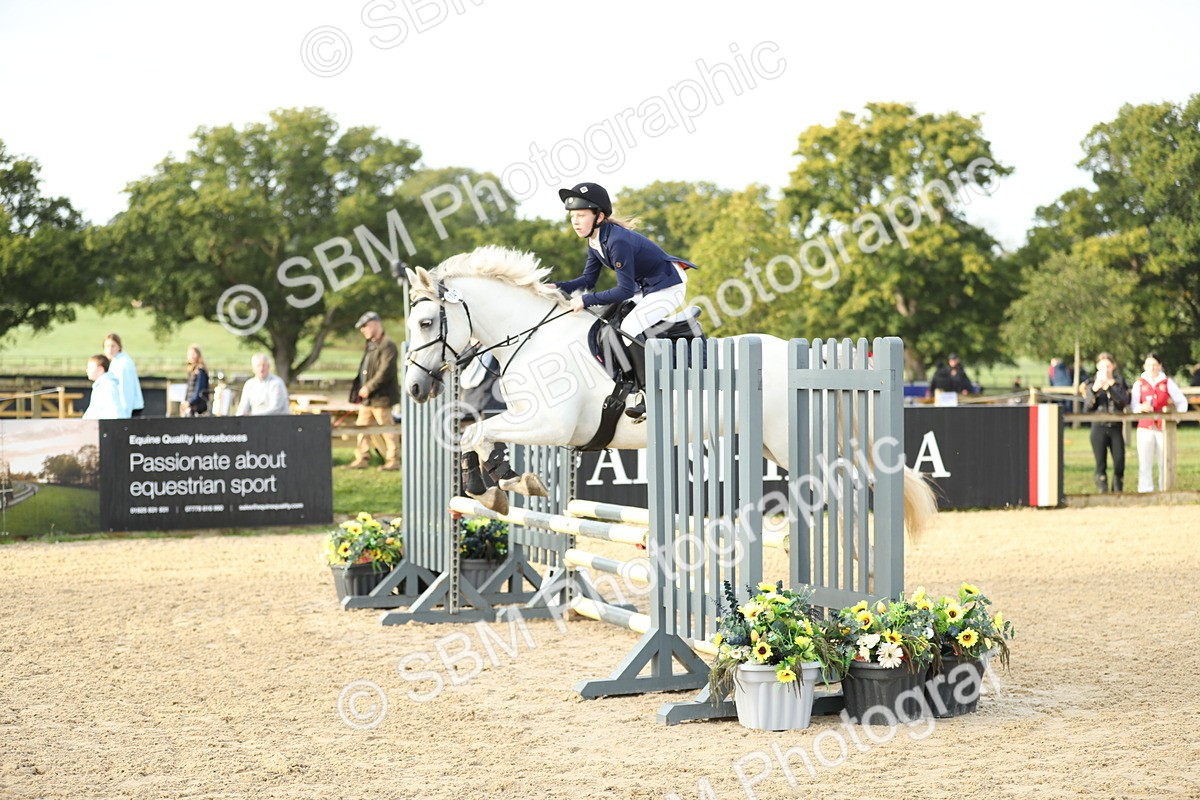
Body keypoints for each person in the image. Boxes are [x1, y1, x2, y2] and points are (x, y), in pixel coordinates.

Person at [550, 182, 698, 420]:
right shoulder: (595, 241)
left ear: (599, 216)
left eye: (581, 215)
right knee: (611, 321)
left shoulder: (617, 241)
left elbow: (624, 290)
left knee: (629, 326)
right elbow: (588, 280)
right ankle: (628, 381)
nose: (575, 222)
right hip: (646, 287)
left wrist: (586, 300)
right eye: (572, 216)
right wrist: (556, 287)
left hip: (667, 286)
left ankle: (652, 394)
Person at [348, 311, 400, 471]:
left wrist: (369, 387)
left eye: (365, 326)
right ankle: (362, 458)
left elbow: (385, 371)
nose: (362, 330)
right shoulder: (371, 345)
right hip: (368, 399)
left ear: (375, 323)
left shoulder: (388, 345)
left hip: (382, 398)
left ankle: (393, 460)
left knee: (387, 430)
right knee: (361, 428)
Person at [1130, 352, 1188, 492]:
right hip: (1145, 426)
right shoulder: (1139, 383)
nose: (1152, 368)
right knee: (1145, 461)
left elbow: (1182, 402)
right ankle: (1145, 490)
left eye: (1155, 365)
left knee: (1164, 460)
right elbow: (1133, 405)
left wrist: (1175, 418)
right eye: (1149, 365)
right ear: (1145, 366)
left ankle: (1165, 490)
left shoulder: (1167, 382)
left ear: (1160, 366)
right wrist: (1141, 408)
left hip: (1163, 427)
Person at [1080, 352, 1130, 493]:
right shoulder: (1091, 384)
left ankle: (1117, 491)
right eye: (1102, 367)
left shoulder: (1120, 384)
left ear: (1113, 366)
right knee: (1100, 463)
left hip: (1115, 427)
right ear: (1097, 367)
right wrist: (1094, 391)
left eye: (1108, 366)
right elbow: (1087, 409)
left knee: (1119, 462)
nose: (1106, 370)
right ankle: (1102, 491)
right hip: (1099, 427)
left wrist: (1109, 388)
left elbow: (1123, 402)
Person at [103, 333, 144, 417]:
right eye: (107, 346)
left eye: (113, 346)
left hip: (129, 410)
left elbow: (125, 390)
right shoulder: (116, 361)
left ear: (119, 347)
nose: (110, 350)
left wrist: (124, 415)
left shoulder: (122, 364)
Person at [82, 355, 130, 420]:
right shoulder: (101, 385)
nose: (87, 370)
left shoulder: (107, 386)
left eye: (90, 368)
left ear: (100, 370)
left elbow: (115, 411)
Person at [182, 345, 210, 417]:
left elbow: (199, 390)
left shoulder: (201, 371)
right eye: (190, 354)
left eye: (194, 354)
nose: (192, 356)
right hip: (190, 404)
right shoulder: (191, 371)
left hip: (198, 406)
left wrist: (190, 403)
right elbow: (188, 389)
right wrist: (185, 402)